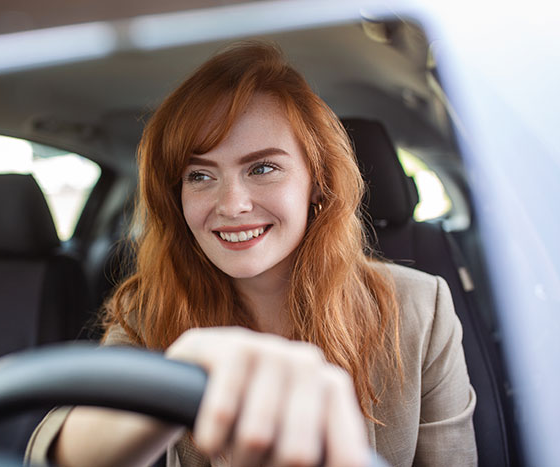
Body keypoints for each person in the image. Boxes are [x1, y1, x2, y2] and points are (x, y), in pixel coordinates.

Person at [26, 41, 476, 467]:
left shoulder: (420, 307)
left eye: (262, 168)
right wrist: (173, 382)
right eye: (200, 176)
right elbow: (56, 452)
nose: (232, 204)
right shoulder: (147, 312)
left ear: (317, 183)